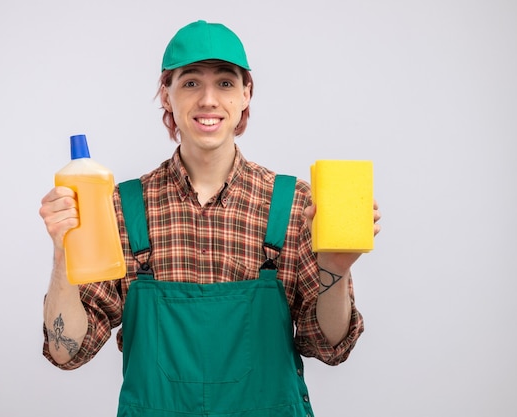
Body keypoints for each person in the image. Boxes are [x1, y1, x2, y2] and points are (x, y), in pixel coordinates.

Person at [39, 20, 381, 417]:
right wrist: (63, 253)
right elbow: (68, 351)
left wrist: (335, 271)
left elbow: (329, 345)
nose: (208, 100)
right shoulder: (121, 208)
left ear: (246, 94)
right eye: (189, 83)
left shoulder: (292, 204)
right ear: (166, 95)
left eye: (224, 82)